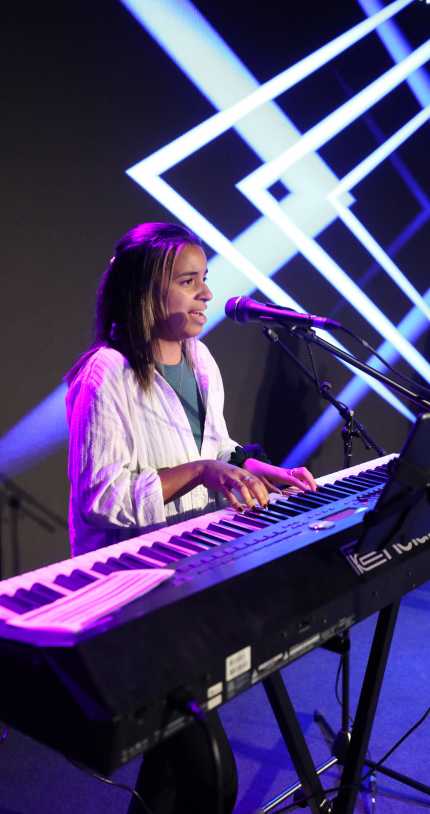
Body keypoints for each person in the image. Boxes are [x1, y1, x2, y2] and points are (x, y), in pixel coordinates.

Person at [65, 222, 317, 814]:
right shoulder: (106, 373)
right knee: (210, 780)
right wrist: (202, 472)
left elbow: (217, 446)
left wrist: (261, 468)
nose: (206, 294)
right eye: (188, 281)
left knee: (169, 771)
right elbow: (101, 497)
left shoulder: (201, 359)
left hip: (193, 572)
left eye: (205, 279)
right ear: (145, 291)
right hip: (133, 589)